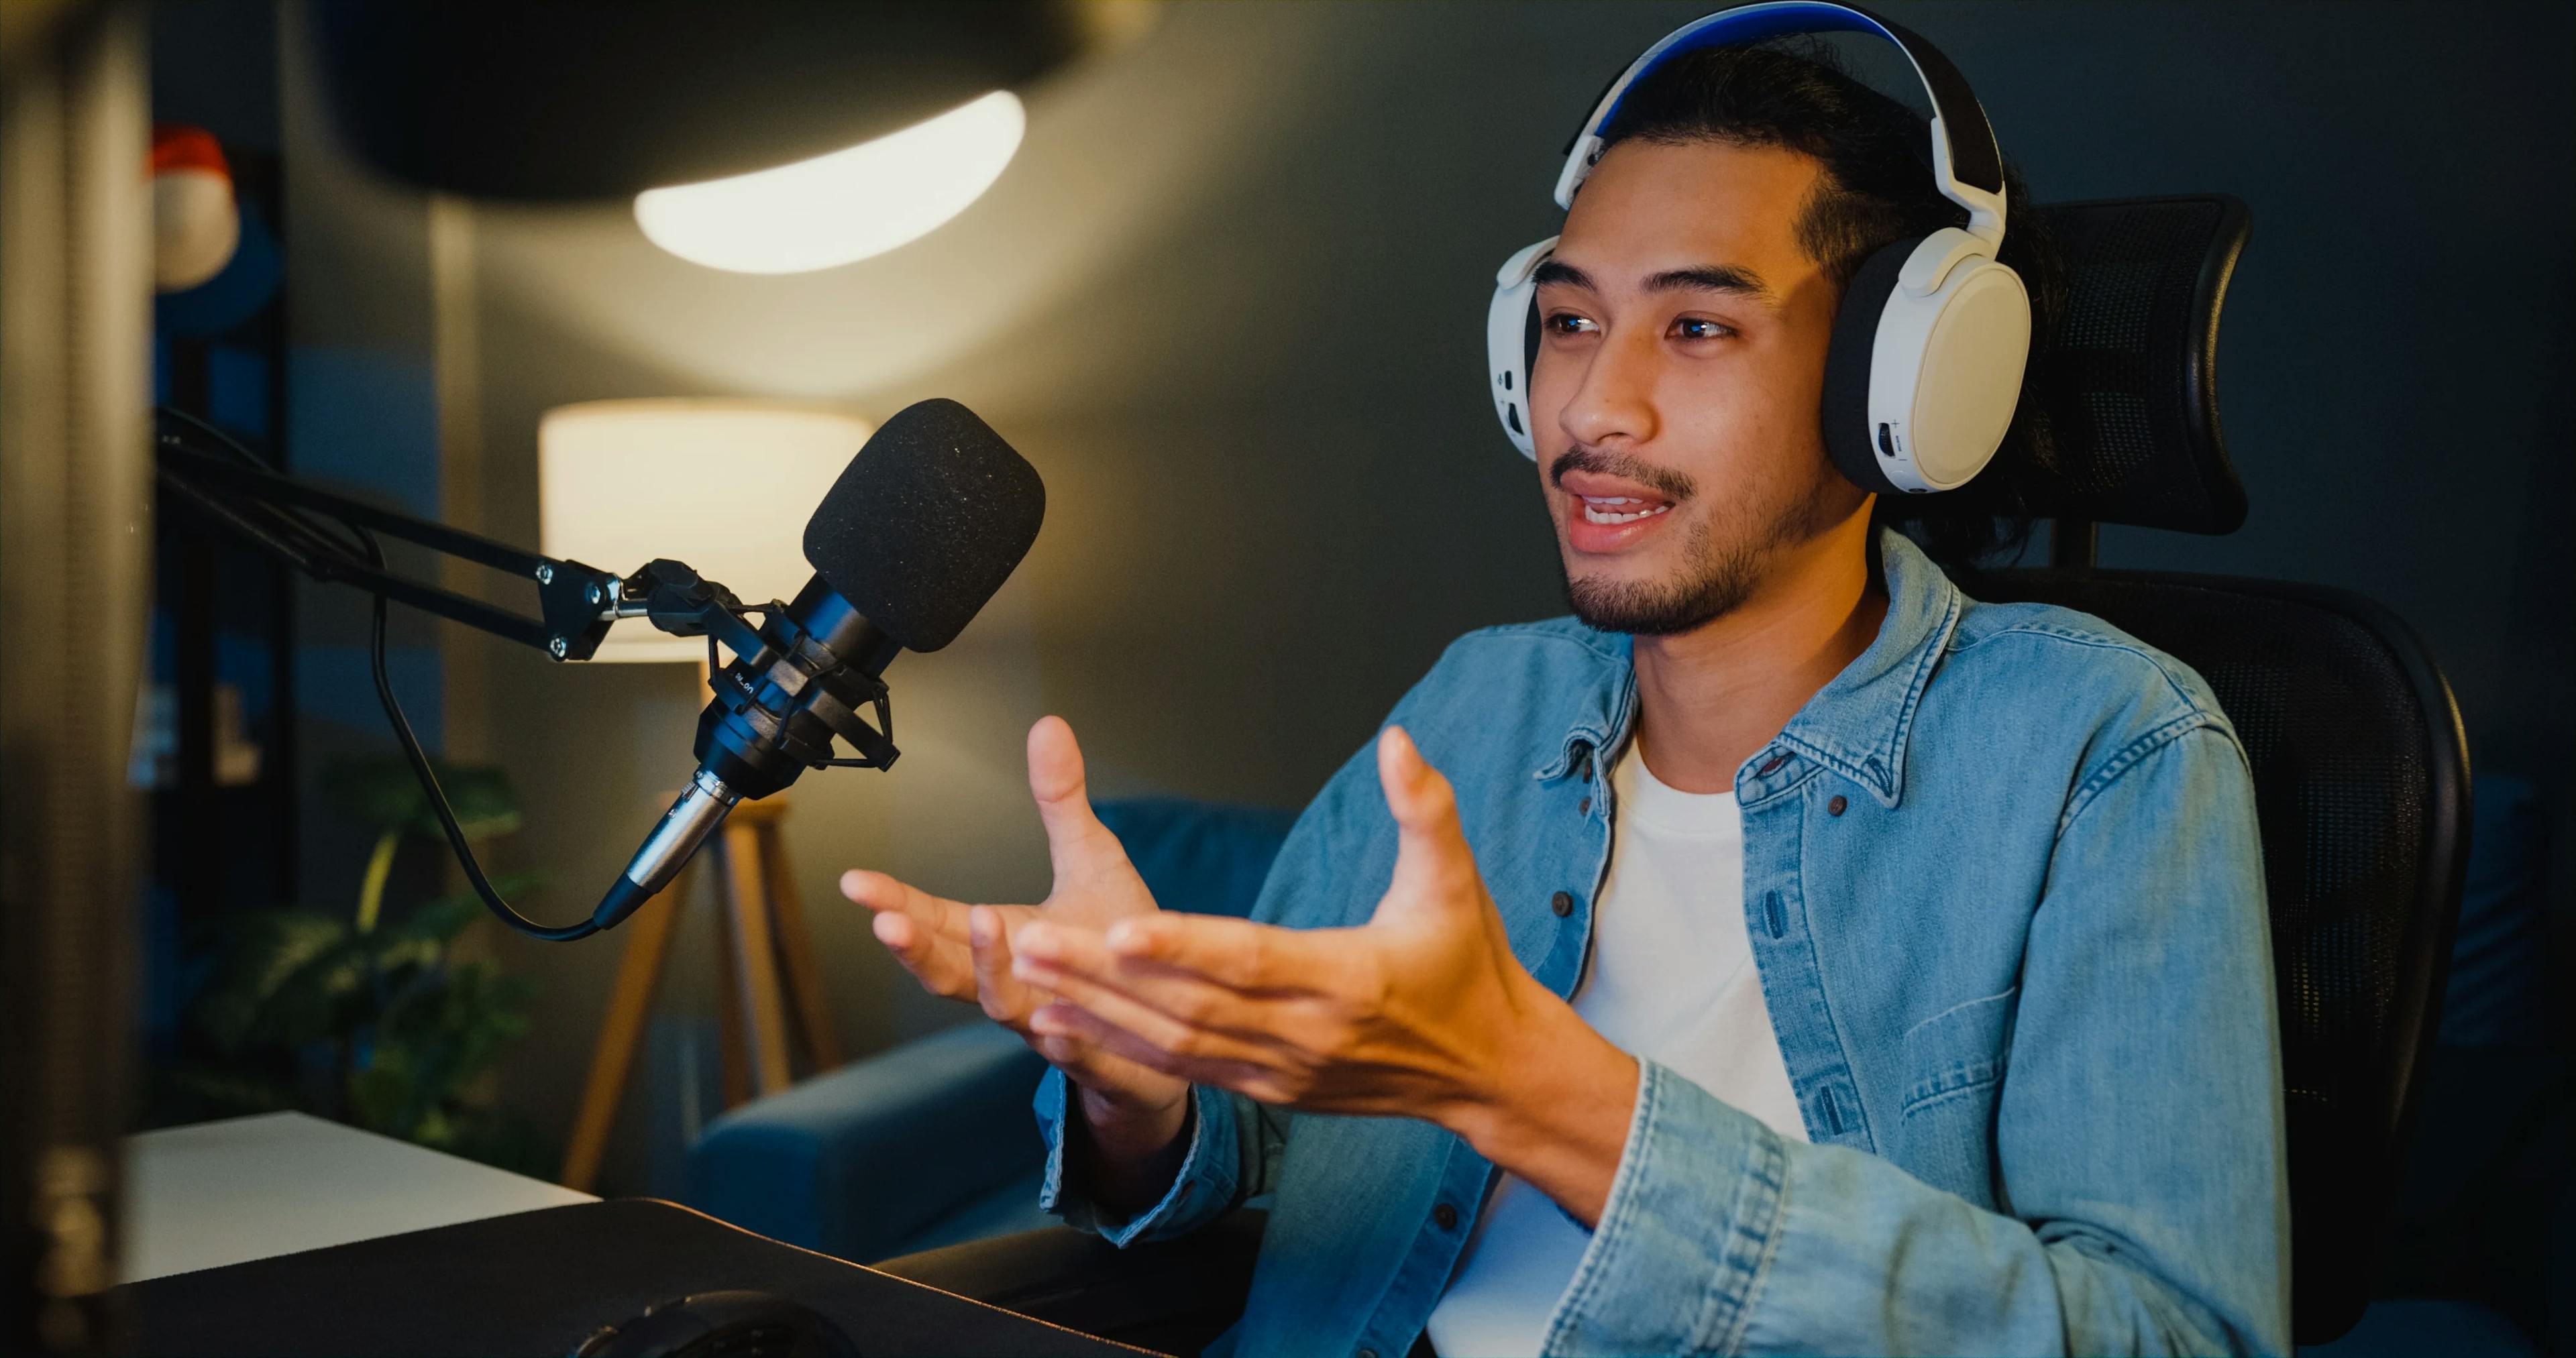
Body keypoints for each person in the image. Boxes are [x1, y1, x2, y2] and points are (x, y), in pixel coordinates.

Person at [841, 15, 2288, 1357]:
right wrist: (1136, 1082)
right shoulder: (1482, 708)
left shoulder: (2104, 753)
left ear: (1898, 382)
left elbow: (2173, 1338)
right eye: (1571, 320)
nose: (1591, 408)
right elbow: (1251, 1142)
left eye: (1698, 326)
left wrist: (1541, 1090)